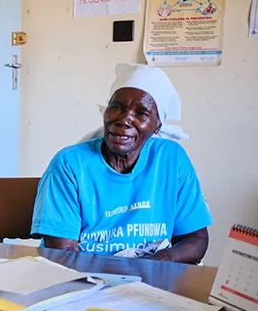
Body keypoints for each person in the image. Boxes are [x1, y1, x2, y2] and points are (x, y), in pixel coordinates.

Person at [31, 63, 212, 264]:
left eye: (141, 113)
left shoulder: (171, 158)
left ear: (157, 126)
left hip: (152, 276)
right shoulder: (70, 164)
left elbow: (196, 239)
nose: (124, 120)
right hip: (87, 278)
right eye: (117, 107)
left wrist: (157, 263)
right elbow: (63, 253)